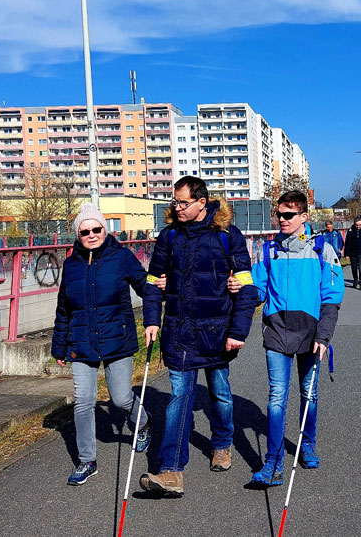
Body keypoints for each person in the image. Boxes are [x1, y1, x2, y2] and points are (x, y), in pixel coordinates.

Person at [139, 176, 259, 497]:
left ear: (201, 203)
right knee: (180, 397)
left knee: (219, 392)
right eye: (174, 202)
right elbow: (153, 282)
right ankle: (171, 471)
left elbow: (246, 287)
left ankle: (221, 443)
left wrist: (238, 331)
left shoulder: (227, 236)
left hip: (217, 333)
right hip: (178, 333)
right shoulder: (169, 237)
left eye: (182, 202)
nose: (176, 207)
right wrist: (152, 320)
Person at [249, 191, 344, 486]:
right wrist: (241, 291)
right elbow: (258, 289)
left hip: (311, 332)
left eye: (288, 215)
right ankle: (272, 463)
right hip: (277, 330)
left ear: (304, 217)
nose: (281, 219)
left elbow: (332, 298)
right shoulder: (268, 250)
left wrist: (324, 336)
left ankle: (307, 444)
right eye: (279, 214)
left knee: (309, 394)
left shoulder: (322, 250)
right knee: (276, 397)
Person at [52, 203, 151, 486]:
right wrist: (59, 346)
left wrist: (160, 290)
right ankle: (87, 461)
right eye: (85, 231)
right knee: (84, 402)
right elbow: (64, 308)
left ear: (105, 230)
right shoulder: (71, 264)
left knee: (120, 398)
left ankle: (143, 422)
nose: (92, 235)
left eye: (97, 229)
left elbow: (145, 287)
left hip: (117, 338)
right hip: (81, 342)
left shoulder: (121, 257)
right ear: (78, 235)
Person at [343, 215, 361, 290]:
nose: (358, 226)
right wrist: (346, 254)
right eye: (357, 225)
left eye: (360, 225)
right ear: (354, 224)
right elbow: (347, 243)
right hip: (353, 252)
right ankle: (355, 279)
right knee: (354, 268)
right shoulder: (350, 230)